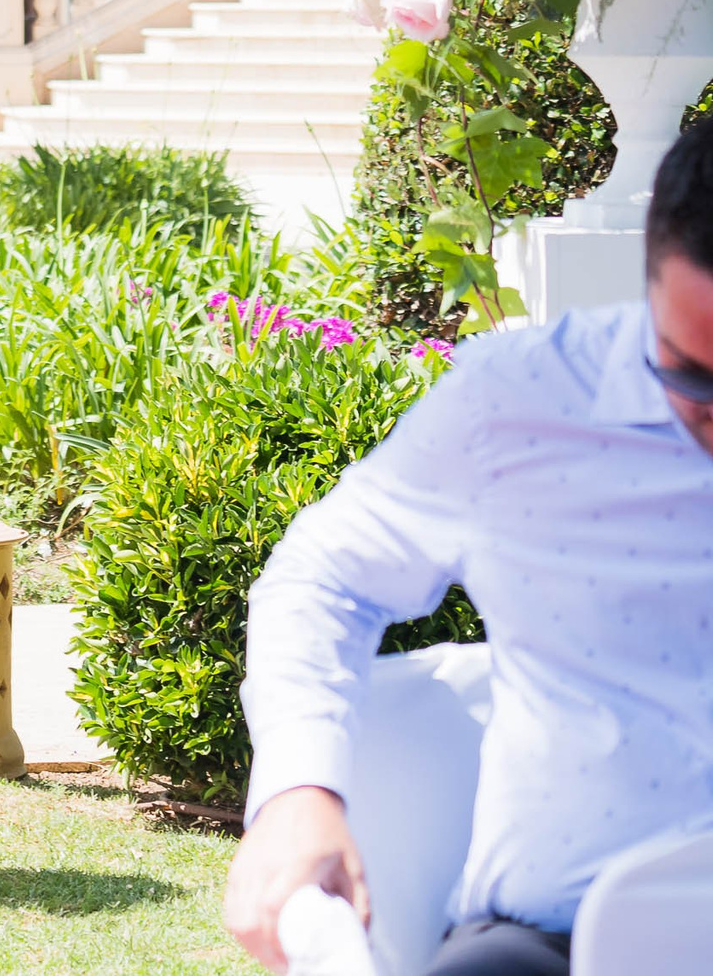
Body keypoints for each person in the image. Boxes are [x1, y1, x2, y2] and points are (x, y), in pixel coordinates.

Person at [223, 121, 713, 973]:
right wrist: (300, 791)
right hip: (549, 935)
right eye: (688, 369)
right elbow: (322, 577)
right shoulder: (519, 403)